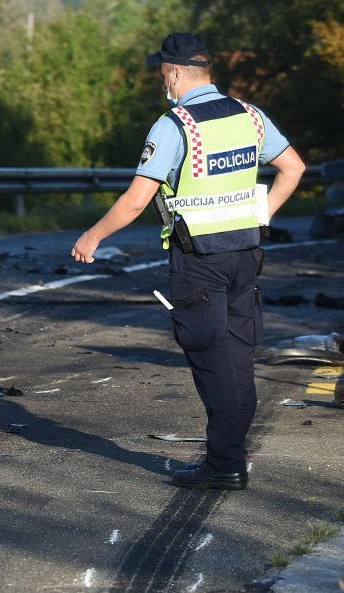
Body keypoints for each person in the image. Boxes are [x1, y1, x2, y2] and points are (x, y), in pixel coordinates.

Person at [71, 32, 306, 490]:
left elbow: (137, 200)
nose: (164, 82)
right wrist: (262, 214)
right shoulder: (250, 115)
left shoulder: (175, 125)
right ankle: (230, 459)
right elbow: (293, 168)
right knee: (239, 358)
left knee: (210, 356)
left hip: (199, 260)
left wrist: (92, 235)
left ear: (176, 72)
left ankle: (223, 466)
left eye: (164, 74)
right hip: (245, 254)